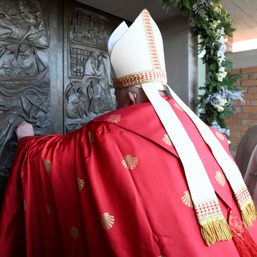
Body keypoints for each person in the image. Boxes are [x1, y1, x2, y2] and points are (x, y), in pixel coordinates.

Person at [1, 9, 257, 257]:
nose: (116, 103)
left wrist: (28, 141)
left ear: (132, 96)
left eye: (117, 94)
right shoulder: (205, 132)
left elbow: (56, 159)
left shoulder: (107, 132)